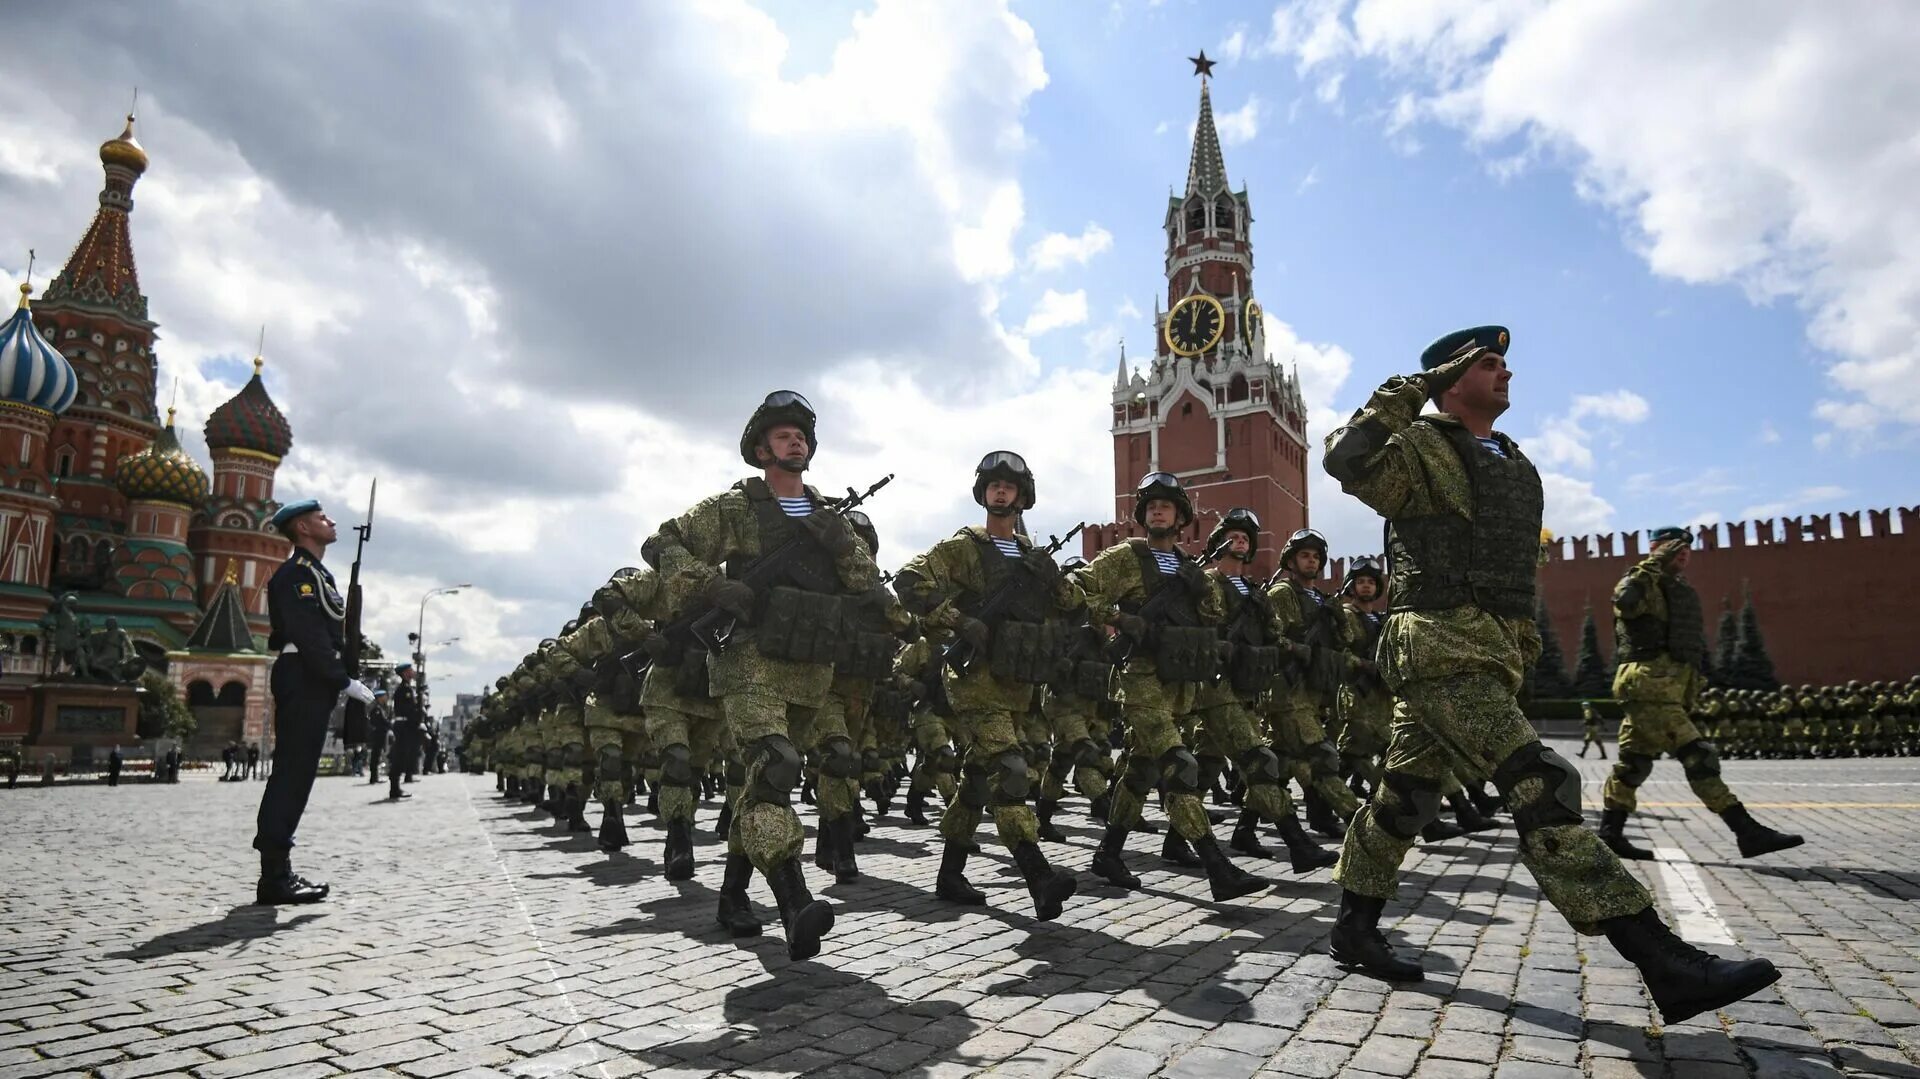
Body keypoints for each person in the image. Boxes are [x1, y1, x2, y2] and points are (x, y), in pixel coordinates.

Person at [1320, 324, 1779, 1023]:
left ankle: (1354, 926)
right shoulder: (1417, 446)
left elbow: (1513, 574)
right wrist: (1413, 389)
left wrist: (1522, 649)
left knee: (1404, 799)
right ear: (1451, 378)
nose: (1507, 375)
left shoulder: (1514, 462)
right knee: (1543, 783)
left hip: (1489, 653)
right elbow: (1345, 458)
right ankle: (1660, 957)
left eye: (1507, 364)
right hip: (1440, 649)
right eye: (1490, 364)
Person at [643, 390, 881, 959]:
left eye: (801, 435)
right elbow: (663, 542)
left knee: (759, 786)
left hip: (811, 667)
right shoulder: (736, 508)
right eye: (782, 434)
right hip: (749, 658)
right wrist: (712, 585)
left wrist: (842, 546)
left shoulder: (830, 517)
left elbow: (868, 584)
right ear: (760, 449)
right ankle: (794, 902)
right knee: (777, 767)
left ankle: (731, 897)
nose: (795, 441)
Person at [893, 450, 1082, 918]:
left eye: (1009, 486)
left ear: (1022, 496)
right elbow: (910, 580)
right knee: (1012, 771)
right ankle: (1038, 875)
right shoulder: (963, 548)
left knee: (977, 780)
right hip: (974, 680)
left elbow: (1077, 609)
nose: (1001, 491)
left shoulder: (1034, 558)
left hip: (1018, 684)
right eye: (993, 485)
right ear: (983, 493)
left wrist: (1056, 582)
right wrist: (959, 620)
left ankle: (950, 872)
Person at [1074, 472, 1269, 902]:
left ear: (1181, 517)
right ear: (1142, 515)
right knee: (1180, 767)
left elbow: (1215, 615)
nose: (1157, 510)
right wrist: (1121, 620)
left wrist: (1203, 587)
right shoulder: (1127, 557)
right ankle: (1218, 866)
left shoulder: (1187, 565)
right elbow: (1078, 590)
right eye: (1150, 506)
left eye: (1167, 506)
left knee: (1139, 772)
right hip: (1141, 680)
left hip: (1179, 684)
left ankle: (1108, 853)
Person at [1599, 527, 1802, 861]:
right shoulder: (1642, 581)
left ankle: (1610, 833)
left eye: (1687, 548)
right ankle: (1746, 831)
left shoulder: (1675, 588)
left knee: (1633, 765)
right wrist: (1652, 563)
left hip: (1664, 688)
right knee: (1698, 755)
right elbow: (1625, 599)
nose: (1683, 552)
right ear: (1655, 548)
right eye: (1673, 547)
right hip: (1650, 687)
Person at [255, 499, 374, 905]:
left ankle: (278, 871)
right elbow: (309, 635)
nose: (333, 521)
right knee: (292, 773)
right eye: (323, 518)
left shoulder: (318, 574)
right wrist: (344, 680)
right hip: (302, 675)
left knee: (300, 773)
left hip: (310, 678)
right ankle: (274, 876)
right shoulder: (296, 575)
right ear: (303, 528)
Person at [389, 663, 425, 801]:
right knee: (399, 756)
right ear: (405, 673)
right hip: (404, 726)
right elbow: (408, 709)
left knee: (403, 756)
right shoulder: (404, 689)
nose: (413, 672)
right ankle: (394, 788)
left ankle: (396, 787)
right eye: (410, 670)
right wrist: (416, 718)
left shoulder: (408, 688)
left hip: (406, 726)